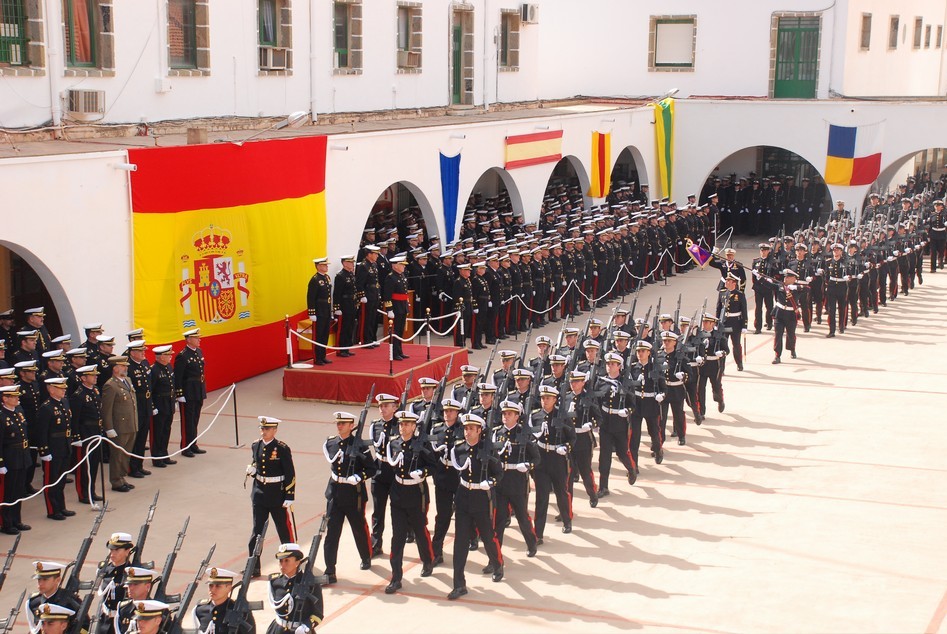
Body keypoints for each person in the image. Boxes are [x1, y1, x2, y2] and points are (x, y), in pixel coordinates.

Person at [447, 413, 504, 601]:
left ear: (480, 430)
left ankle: (497, 564)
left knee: (488, 537)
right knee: (460, 543)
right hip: (464, 498)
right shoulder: (459, 449)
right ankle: (459, 585)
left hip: (482, 498)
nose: (467, 432)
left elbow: (499, 473)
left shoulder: (488, 449)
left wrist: (491, 482)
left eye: (471, 429)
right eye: (465, 428)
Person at [383, 410, 435, 594]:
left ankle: (427, 560)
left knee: (420, 530)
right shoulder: (394, 443)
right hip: (398, 493)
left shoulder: (421, 444)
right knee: (397, 537)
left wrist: (422, 472)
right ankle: (396, 577)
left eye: (406, 424)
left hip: (416, 493)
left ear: (414, 427)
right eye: (401, 424)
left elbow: (433, 465)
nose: (402, 427)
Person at [322, 411, 376, 584]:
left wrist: (359, 476)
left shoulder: (359, 445)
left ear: (352, 426)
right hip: (335, 492)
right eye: (338, 423)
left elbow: (372, 468)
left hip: (353, 494)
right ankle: (330, 569)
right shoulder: (331, 443)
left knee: (358, 528)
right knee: (332, 533)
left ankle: (365, 556)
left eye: (343, 423)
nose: (339, 426)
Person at [247, 416, 297, 569]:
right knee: (257, 532)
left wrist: (289, 495)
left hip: (277, 495)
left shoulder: (281, 448)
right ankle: (253, 566)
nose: (263, 431)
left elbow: (290, 473)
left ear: (275, 430)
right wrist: (253, 471)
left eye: (267, 429)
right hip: (259, 494)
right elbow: (258, 463)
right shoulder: (256, 445)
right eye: (262, 428)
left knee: (283, 530)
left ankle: (292, 560)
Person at [492, 400, 539, 556]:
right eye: (504, 414)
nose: (505, 417)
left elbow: (536, 458)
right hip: (501, 482)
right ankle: (496, 554)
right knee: (499, 520)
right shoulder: (497, 433)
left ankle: (531, 543)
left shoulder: (524, 433)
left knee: (522, 517)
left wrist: (528, 465)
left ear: (517, 416)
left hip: (517, 482)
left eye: (509, 414)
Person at [531, 385, 575, 540]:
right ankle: (538, 534)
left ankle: (567, 520)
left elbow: (572, 437)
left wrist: (566, 447)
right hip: (541, 459)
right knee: (541, 498)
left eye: (548, 398)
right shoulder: (535, 416)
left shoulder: (562, 416)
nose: (544, 401)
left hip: (557, 459)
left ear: (555, 399)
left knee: (561, 493)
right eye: (543, 398)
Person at [594, 352, 638, 496]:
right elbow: (597, 402)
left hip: (620, 424)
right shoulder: (601, 382)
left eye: (613, 364)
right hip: (605, 423)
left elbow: (633, 404)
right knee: (604, 456)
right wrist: (596, 420)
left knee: (622, 453)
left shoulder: (625, 383)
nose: (609, 366)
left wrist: (627, 411)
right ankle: (603, 487)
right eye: (608, 364)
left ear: (619, 366)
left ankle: (631, 468)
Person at [36, 377, 76, 520]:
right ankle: (53, 510)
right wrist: (44, 451)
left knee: (61, 479)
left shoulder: (64, 402)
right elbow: (42, 432)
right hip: (53, 448)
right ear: (51, 390)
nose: (64, 390)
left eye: (64, 387)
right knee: (52, 480)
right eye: (60, 388)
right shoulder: (46, 407)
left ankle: (61, 506)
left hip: (64, 445)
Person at [429, 398, 463, 565]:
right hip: (443, 477)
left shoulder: (463, 430)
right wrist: (436, 474)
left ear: (457, 413)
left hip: (459, 477)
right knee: (442, 516)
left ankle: (470, 539)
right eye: (445, 411)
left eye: (451, 411)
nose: (447, 414)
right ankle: (436, 551)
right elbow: (432, 455)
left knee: (464, 514)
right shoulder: (437, 430)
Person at [266, 543, 324, 632]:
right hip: (278, 629)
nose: (282, 565)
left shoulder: (310, 583)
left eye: (287, 560)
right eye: (281, 561)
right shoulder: (274, 582)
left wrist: (306, 626)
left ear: (297, 562)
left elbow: (318, 614)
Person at [101, 355, 138, 494]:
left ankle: (122, 477)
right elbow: (107, 409)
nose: (125, 368)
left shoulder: (127, 380)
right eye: (123, 366)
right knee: (117, 455)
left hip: (130, 423)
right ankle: (116, 481)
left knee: (126, 453)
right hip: (119, 426)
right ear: (115, 368)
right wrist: (109, 428)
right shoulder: (110, 385)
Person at [627, 340, 666, 467]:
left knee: (654, 432)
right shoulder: (632, 368)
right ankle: (634, 465)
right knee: (635, 437)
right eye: (638, 351)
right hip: (636, 404)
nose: (640, 353)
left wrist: (661, 395)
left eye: (643, 351)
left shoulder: (655, 368)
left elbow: (664, 387)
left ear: (649, 352)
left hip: (651, 404)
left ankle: (658, 449)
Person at [369, 393, 398, 556]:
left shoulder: (400, 425)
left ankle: (400, 540)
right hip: (379, 470)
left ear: (394, 408)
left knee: (398, 510)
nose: (382, 409)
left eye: (386, 406)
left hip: (395, 470)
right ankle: (375, 544)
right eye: (380, 406)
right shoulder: (375, 425)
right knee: (378, 511)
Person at [70, 364, 104, 504]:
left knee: (94, 463)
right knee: (84, 465)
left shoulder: (95, 390)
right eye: (92, 375)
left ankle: (91, 490)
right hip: (85, 432)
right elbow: (75, 419)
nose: (95, 377)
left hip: (96, 430)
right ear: (83, 378)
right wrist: (76, 436)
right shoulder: (78, 395)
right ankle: (83, 493)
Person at [0, 385, 31, 534]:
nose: (17, 398)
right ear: (5, 398)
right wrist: (1, 463)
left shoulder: (18, 412)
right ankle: (7, 523)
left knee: (19, 491)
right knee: (9, 492)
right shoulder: (1, 417)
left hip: (22, 455)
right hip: (10, 457)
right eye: (13, 396)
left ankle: (16, 520)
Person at [192, 567, 255, 633]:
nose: (212, 590)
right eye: (210, 585)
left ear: (229, 588)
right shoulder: (199, 610)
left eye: (218, 586)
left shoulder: (240, 611)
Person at [174, 328, 207, 457]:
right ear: (188, 340)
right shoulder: (183, 355)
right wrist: (179, 394)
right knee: (187, 420)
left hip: (198, 389)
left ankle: (193, 444)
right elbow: (178, 376)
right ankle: (185, 446)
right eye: (196, 338)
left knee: (195, 419)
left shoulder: (198, 351)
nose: (199, 340)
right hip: (188, 392)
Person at [26, 562, 82, 632]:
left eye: (45, 579)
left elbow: (84, 627)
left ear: (57, 580)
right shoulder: (33, 602)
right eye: (39, 580)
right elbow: (34, 629)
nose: (40, 584)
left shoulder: (71, 601)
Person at [96, 532, 136, 630]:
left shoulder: (132, 574)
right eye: (111, 549)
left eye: (117, 550)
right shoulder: (104, 570)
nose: (112, 554)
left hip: (122, 623)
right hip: (103, 620)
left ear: (127, 551)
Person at [124, 340, 153, 479]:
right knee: (134, 440)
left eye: (143, 351)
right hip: (136, 406)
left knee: (142, 438)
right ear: (132, 353)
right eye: (140, 351)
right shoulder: (128, 368)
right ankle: (132, 467)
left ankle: (139, 465)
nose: (143, 353)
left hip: (145, 404)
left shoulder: (144, 364)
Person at [149, 345, 176, 468]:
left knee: (166, 430)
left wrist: (174, 400)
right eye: (167, 355)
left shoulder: (168, 367)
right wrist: (152, 406)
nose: (170, 356)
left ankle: (164, 454)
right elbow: (150, 390)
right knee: (158, 432)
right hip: (159, 404)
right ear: (160, 357)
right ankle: (157, 457)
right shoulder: (154, 370)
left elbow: (172, 385)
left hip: (168, 403)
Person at [768, 268, 802, 364]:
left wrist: (796, 288)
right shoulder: (780, 286)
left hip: (791, 315)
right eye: (785, 277)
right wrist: (760, 278)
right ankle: (777, 355)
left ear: (793, 279)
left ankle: (792, 349)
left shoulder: (797, 288)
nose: (785, 279)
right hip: (779, 313)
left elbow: (808, 289)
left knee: (791, 334)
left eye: (788, 277)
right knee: (778, 335)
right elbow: (769, 285)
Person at [716, 272, 747, 371]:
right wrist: (717, 323)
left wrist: (744, 325)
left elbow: (744, 311)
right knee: (722, 345)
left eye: (728, 281)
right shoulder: (722, 293)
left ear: (734, 283)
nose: (726, 282)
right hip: (724, 322)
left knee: (736, 344)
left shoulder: (740, 295)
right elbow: (718, 309)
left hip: (735, 323)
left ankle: (739, 363)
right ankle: (721, 367)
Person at [113, 567, 158, 634]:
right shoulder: (123, 608)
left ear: (147, 586)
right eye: (129, 584)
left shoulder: (157, 610)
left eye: (135, 584)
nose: (130, 588)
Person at [383, 255, 411, 360]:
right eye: (401, 264)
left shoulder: (401, 276)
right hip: (396, 307)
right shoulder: (391, 277)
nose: (404, 266)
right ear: (395, 266)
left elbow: (405, 292)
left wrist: (407, 305)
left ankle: (399, 350)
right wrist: (389, 309)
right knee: (396, 331)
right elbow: (387, 295)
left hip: (402, 306)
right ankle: (394, 353)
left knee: (400, 330)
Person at [307, 257, 333, 366]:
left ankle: (323, 355)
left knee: (325, 334)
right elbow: (311, 297)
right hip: (319, 311)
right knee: (318, 334)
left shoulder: (326, 277)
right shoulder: (315, 279)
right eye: (324, 265)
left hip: (326, 310)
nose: (326, 267)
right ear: (318, 266)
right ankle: (317, 358)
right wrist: (312, 312)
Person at [333, 255, 359, 357]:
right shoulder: (340, 276)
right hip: (344, 304)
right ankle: (341, 349)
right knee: (344, 327)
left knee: (350, 326)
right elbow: (337, 293)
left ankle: (347, 347)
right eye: (350, 262)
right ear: (344, 263)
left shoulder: (351, 275)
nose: (352, 264)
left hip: (351, 304)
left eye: (352, 262)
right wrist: (336, 307)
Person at [355, 245, 382, 345]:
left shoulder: (374, 265)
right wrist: (362, 295)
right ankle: (366, 339)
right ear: (369, 254)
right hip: (368, 295)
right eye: (375, 254)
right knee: (367, 318)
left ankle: (372, 338)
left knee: (373, 318)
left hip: (374, 294)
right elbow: (359, 283)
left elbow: (376, 281)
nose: (377, 256)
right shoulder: (363, 266)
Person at [750, 243, 776, 333]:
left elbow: (776, 274)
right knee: (758, 308)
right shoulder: (756, 261)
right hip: (758, 288)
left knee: (769, 307)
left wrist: (771, 280)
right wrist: (755, 283)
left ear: (768, 251)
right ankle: (758, 327)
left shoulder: (772, 262)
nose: (763, 252)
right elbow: (753, 276)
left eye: (765, 250)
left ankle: (769, 322)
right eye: (762, 250)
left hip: (768, 287)